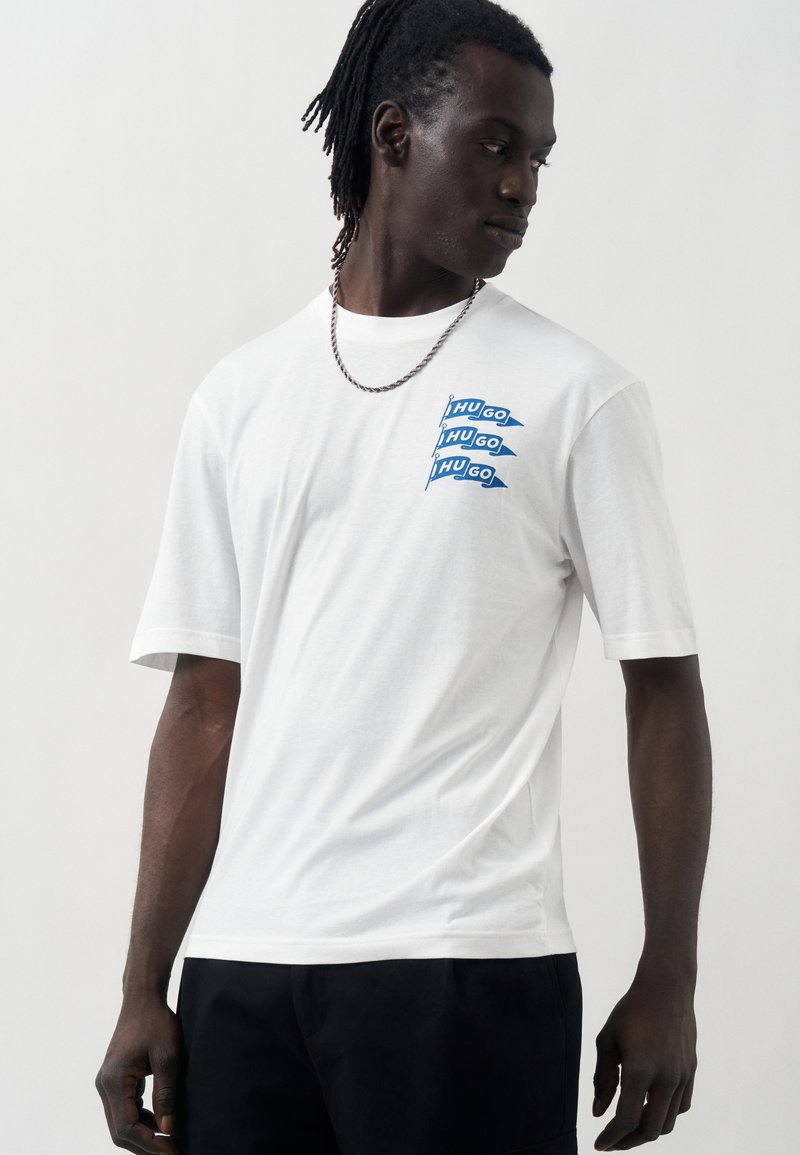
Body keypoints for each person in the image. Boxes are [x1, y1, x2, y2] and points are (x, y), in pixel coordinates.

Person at [96, 1, 712, 1152]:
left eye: (537, 159)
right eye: (494, 144)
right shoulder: (239, 399)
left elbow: (662, 684)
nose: (522, 186)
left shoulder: (576, 395)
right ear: (392, 136)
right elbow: (201, 703)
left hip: (464, 966)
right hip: (244, 973)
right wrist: (144, 982)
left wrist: (668, 974)